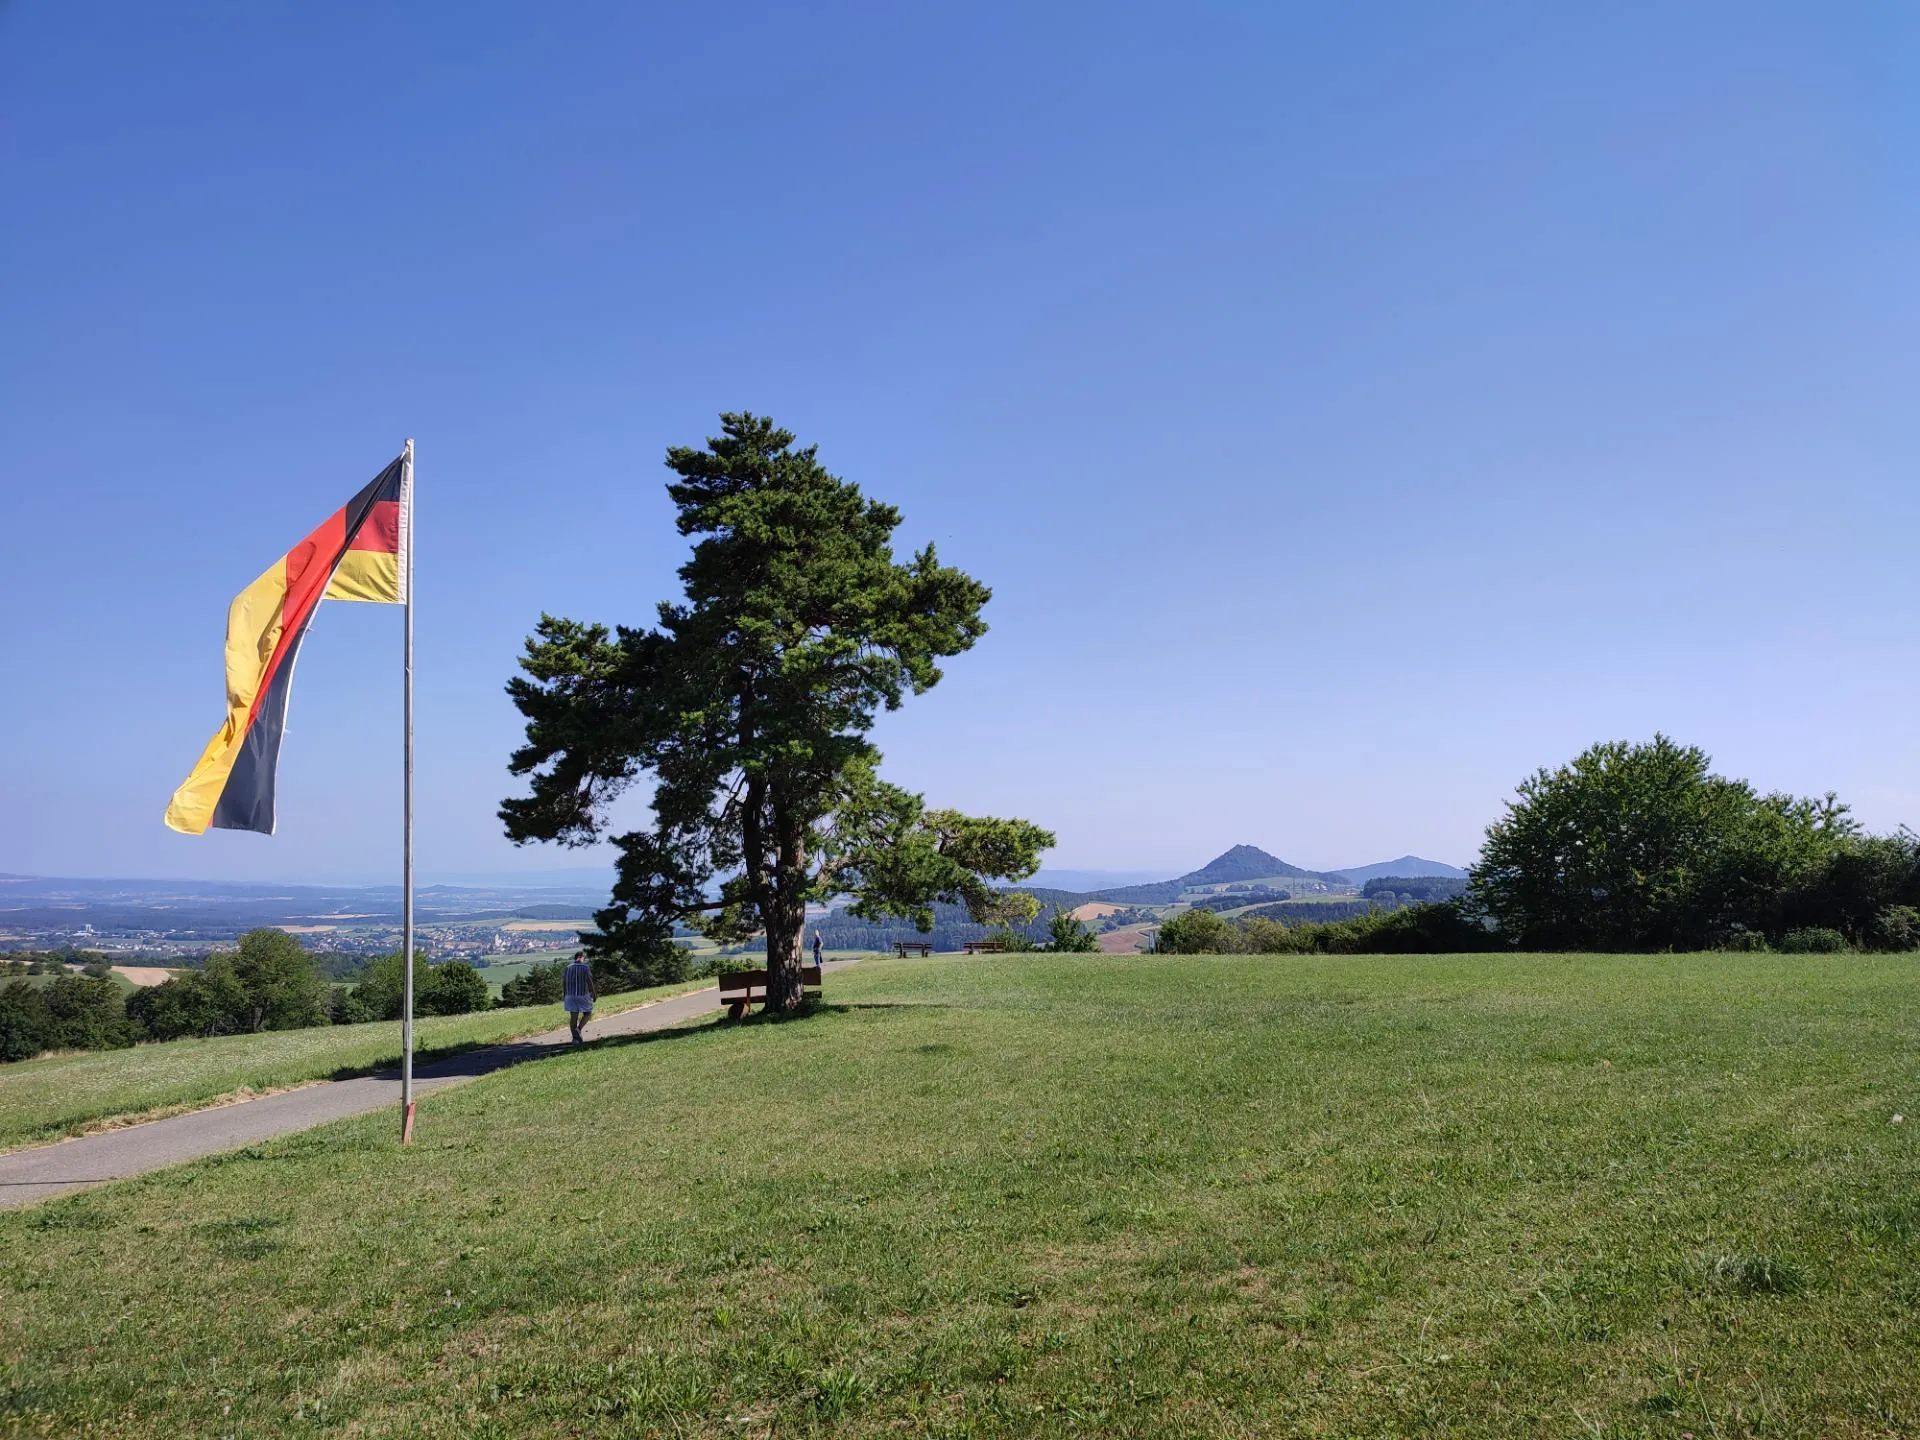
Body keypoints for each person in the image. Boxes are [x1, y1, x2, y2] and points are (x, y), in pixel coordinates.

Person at [562, 950, 596, 1044]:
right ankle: (579, 1029)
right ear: (581, 957)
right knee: (588, 1013)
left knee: (573, 1018)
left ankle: (575, 1039)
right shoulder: (585, 967)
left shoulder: (568, 967)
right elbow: (589, 982)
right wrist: (594, 993)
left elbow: (564, 982)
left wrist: (565, 995)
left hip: (569, 996)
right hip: (582, 995)